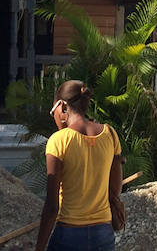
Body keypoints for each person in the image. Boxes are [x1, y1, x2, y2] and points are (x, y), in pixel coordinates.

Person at [33, 80, 124, 251]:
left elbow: (52, 206)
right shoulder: (110, 134)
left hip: (69, 234)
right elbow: (115, 188)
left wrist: (39, 247)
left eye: (53, 112)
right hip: (103, 233)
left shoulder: (59, 140)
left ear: (62, 107)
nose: (54, 117)